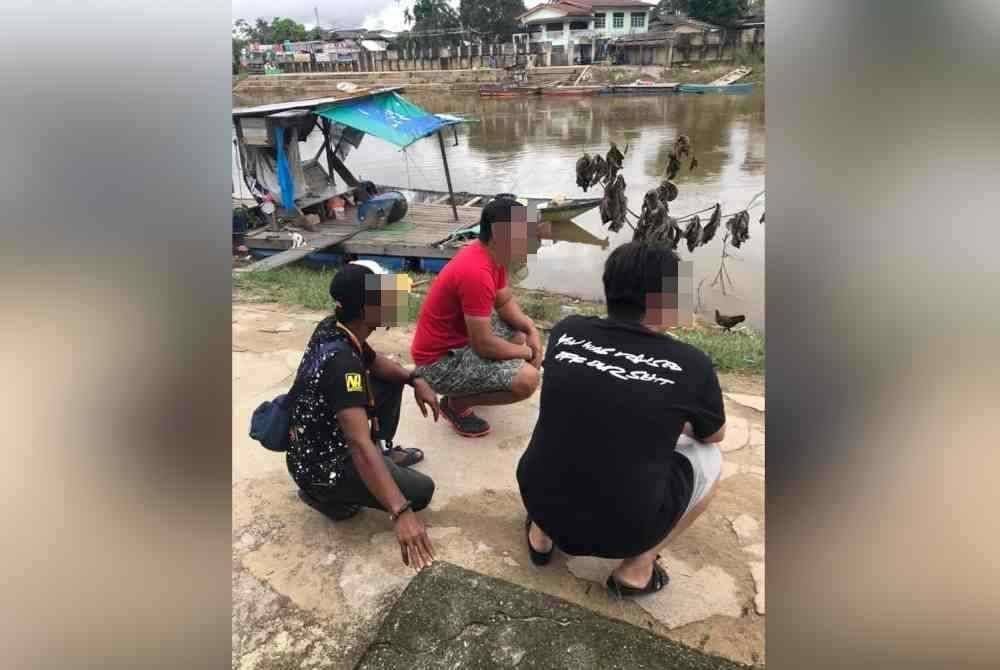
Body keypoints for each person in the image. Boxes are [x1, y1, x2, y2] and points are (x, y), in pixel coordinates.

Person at [516, 241, 727, 596]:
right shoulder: (691, 364)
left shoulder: (567, 331)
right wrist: (669, 416)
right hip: (624, 532)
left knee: (566, 423)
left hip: (537, 496)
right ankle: (637, 569)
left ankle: (541, 535)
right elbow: (714, 435)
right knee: (710, 460)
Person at [286, 262, 440, 570]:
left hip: (316, 441)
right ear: (365, 309)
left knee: (390, 378)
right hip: (323, 466)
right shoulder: (342, 364)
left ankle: (381, 456)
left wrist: (413, 378)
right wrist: (400, 511)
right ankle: (326, 497)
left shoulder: (336, 327)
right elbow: (357, 444)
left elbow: (375, 361)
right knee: (422, 492)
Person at [411, 197, 542, 437]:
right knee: (528, 380)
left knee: (518, 333)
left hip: (459, 342)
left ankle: (472, 386)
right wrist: (527, 354)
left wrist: (531, 329)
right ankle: (455, 405)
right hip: (439, 362)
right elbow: (483, 345)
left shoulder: (494, 255)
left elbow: (503, 301)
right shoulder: (476, 272)